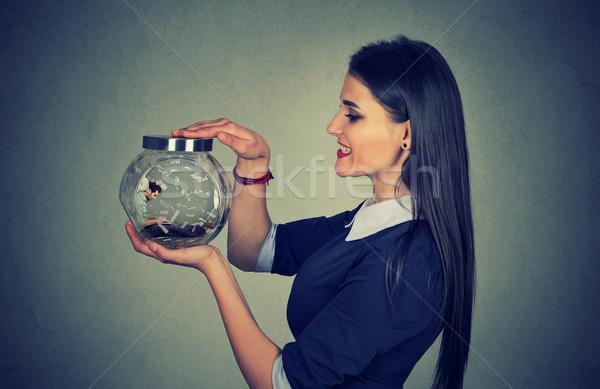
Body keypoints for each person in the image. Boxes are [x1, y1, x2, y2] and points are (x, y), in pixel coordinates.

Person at [126, 35, 475, 389]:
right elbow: (255, 249)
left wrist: (211, 265)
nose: (332, 126)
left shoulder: (407, 262)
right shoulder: (370, 219)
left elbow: (282, 383)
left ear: (407, 134)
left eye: (352, 115)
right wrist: (254, 162)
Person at [133, 179, 205, 238]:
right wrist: (157, 221)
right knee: (173, 227)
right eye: (154, 195)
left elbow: (144, 216)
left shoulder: (143, 200)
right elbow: (141, 222)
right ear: (149, 191)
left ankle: (199, 228)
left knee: (172, 222)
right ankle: (200, 234)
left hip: (148, 227)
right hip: (144, 232)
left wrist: (157, 218)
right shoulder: (138, 201)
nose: (154, 198)